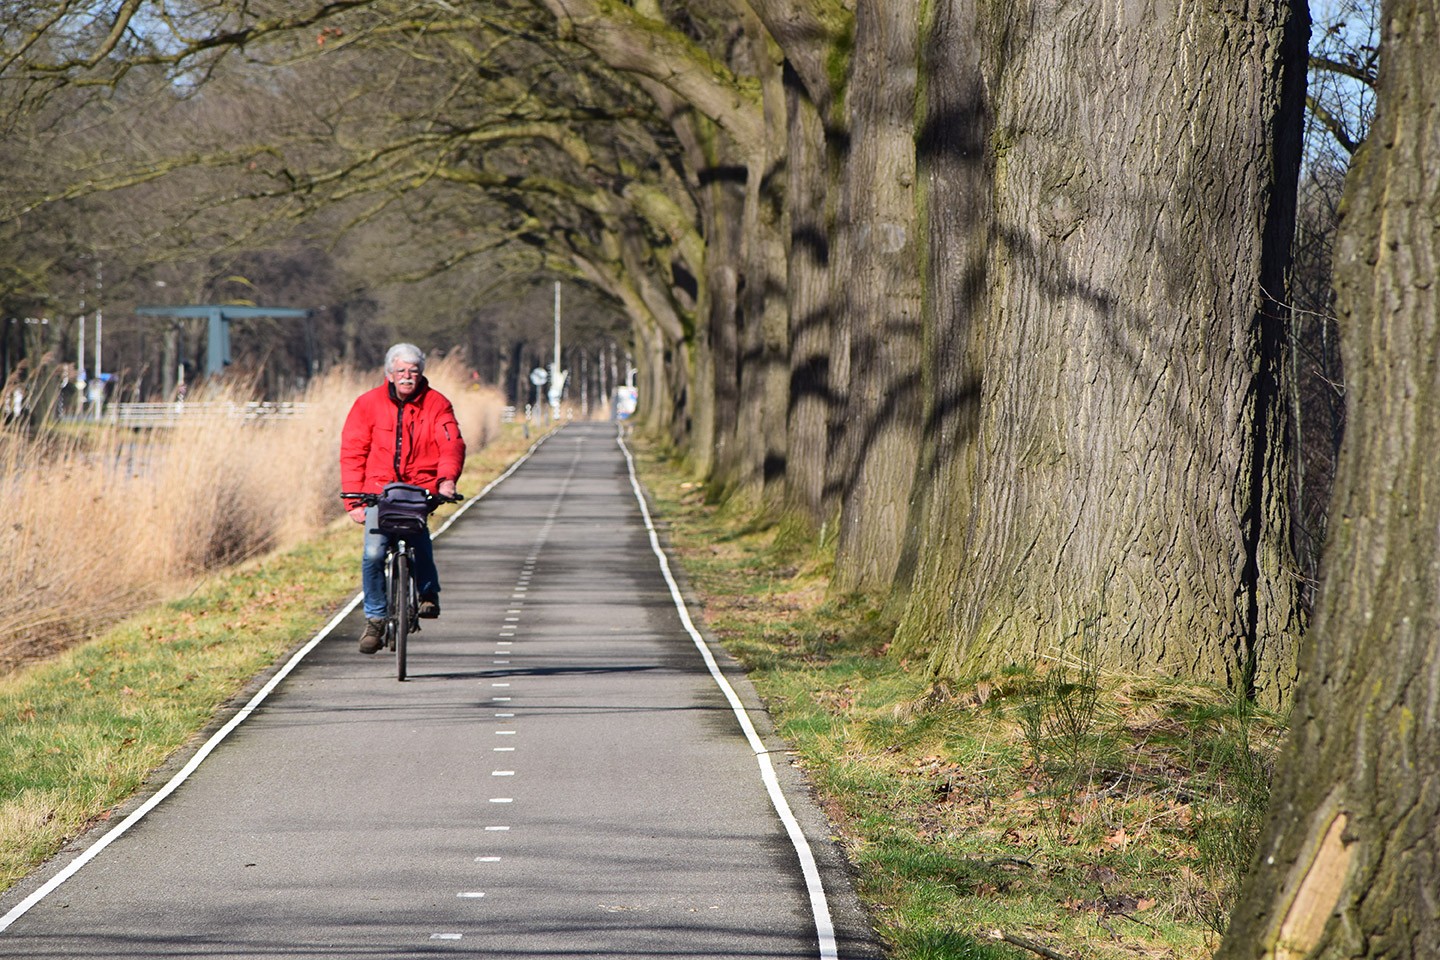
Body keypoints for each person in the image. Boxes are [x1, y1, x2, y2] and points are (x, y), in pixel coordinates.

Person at [340, 343, 466, 654]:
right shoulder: (367, 405)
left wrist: (446, 480)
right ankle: (376, 619)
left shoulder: (437, 404)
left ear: (421, 374)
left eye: (413, 371)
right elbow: (353, 451)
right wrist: (353, 501)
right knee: (373, 554)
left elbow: (451, 443)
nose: (407, 377)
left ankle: (427, 594)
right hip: (377, 493)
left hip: (419, 489)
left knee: (419, 539)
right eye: (401, 371)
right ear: (389, 374)